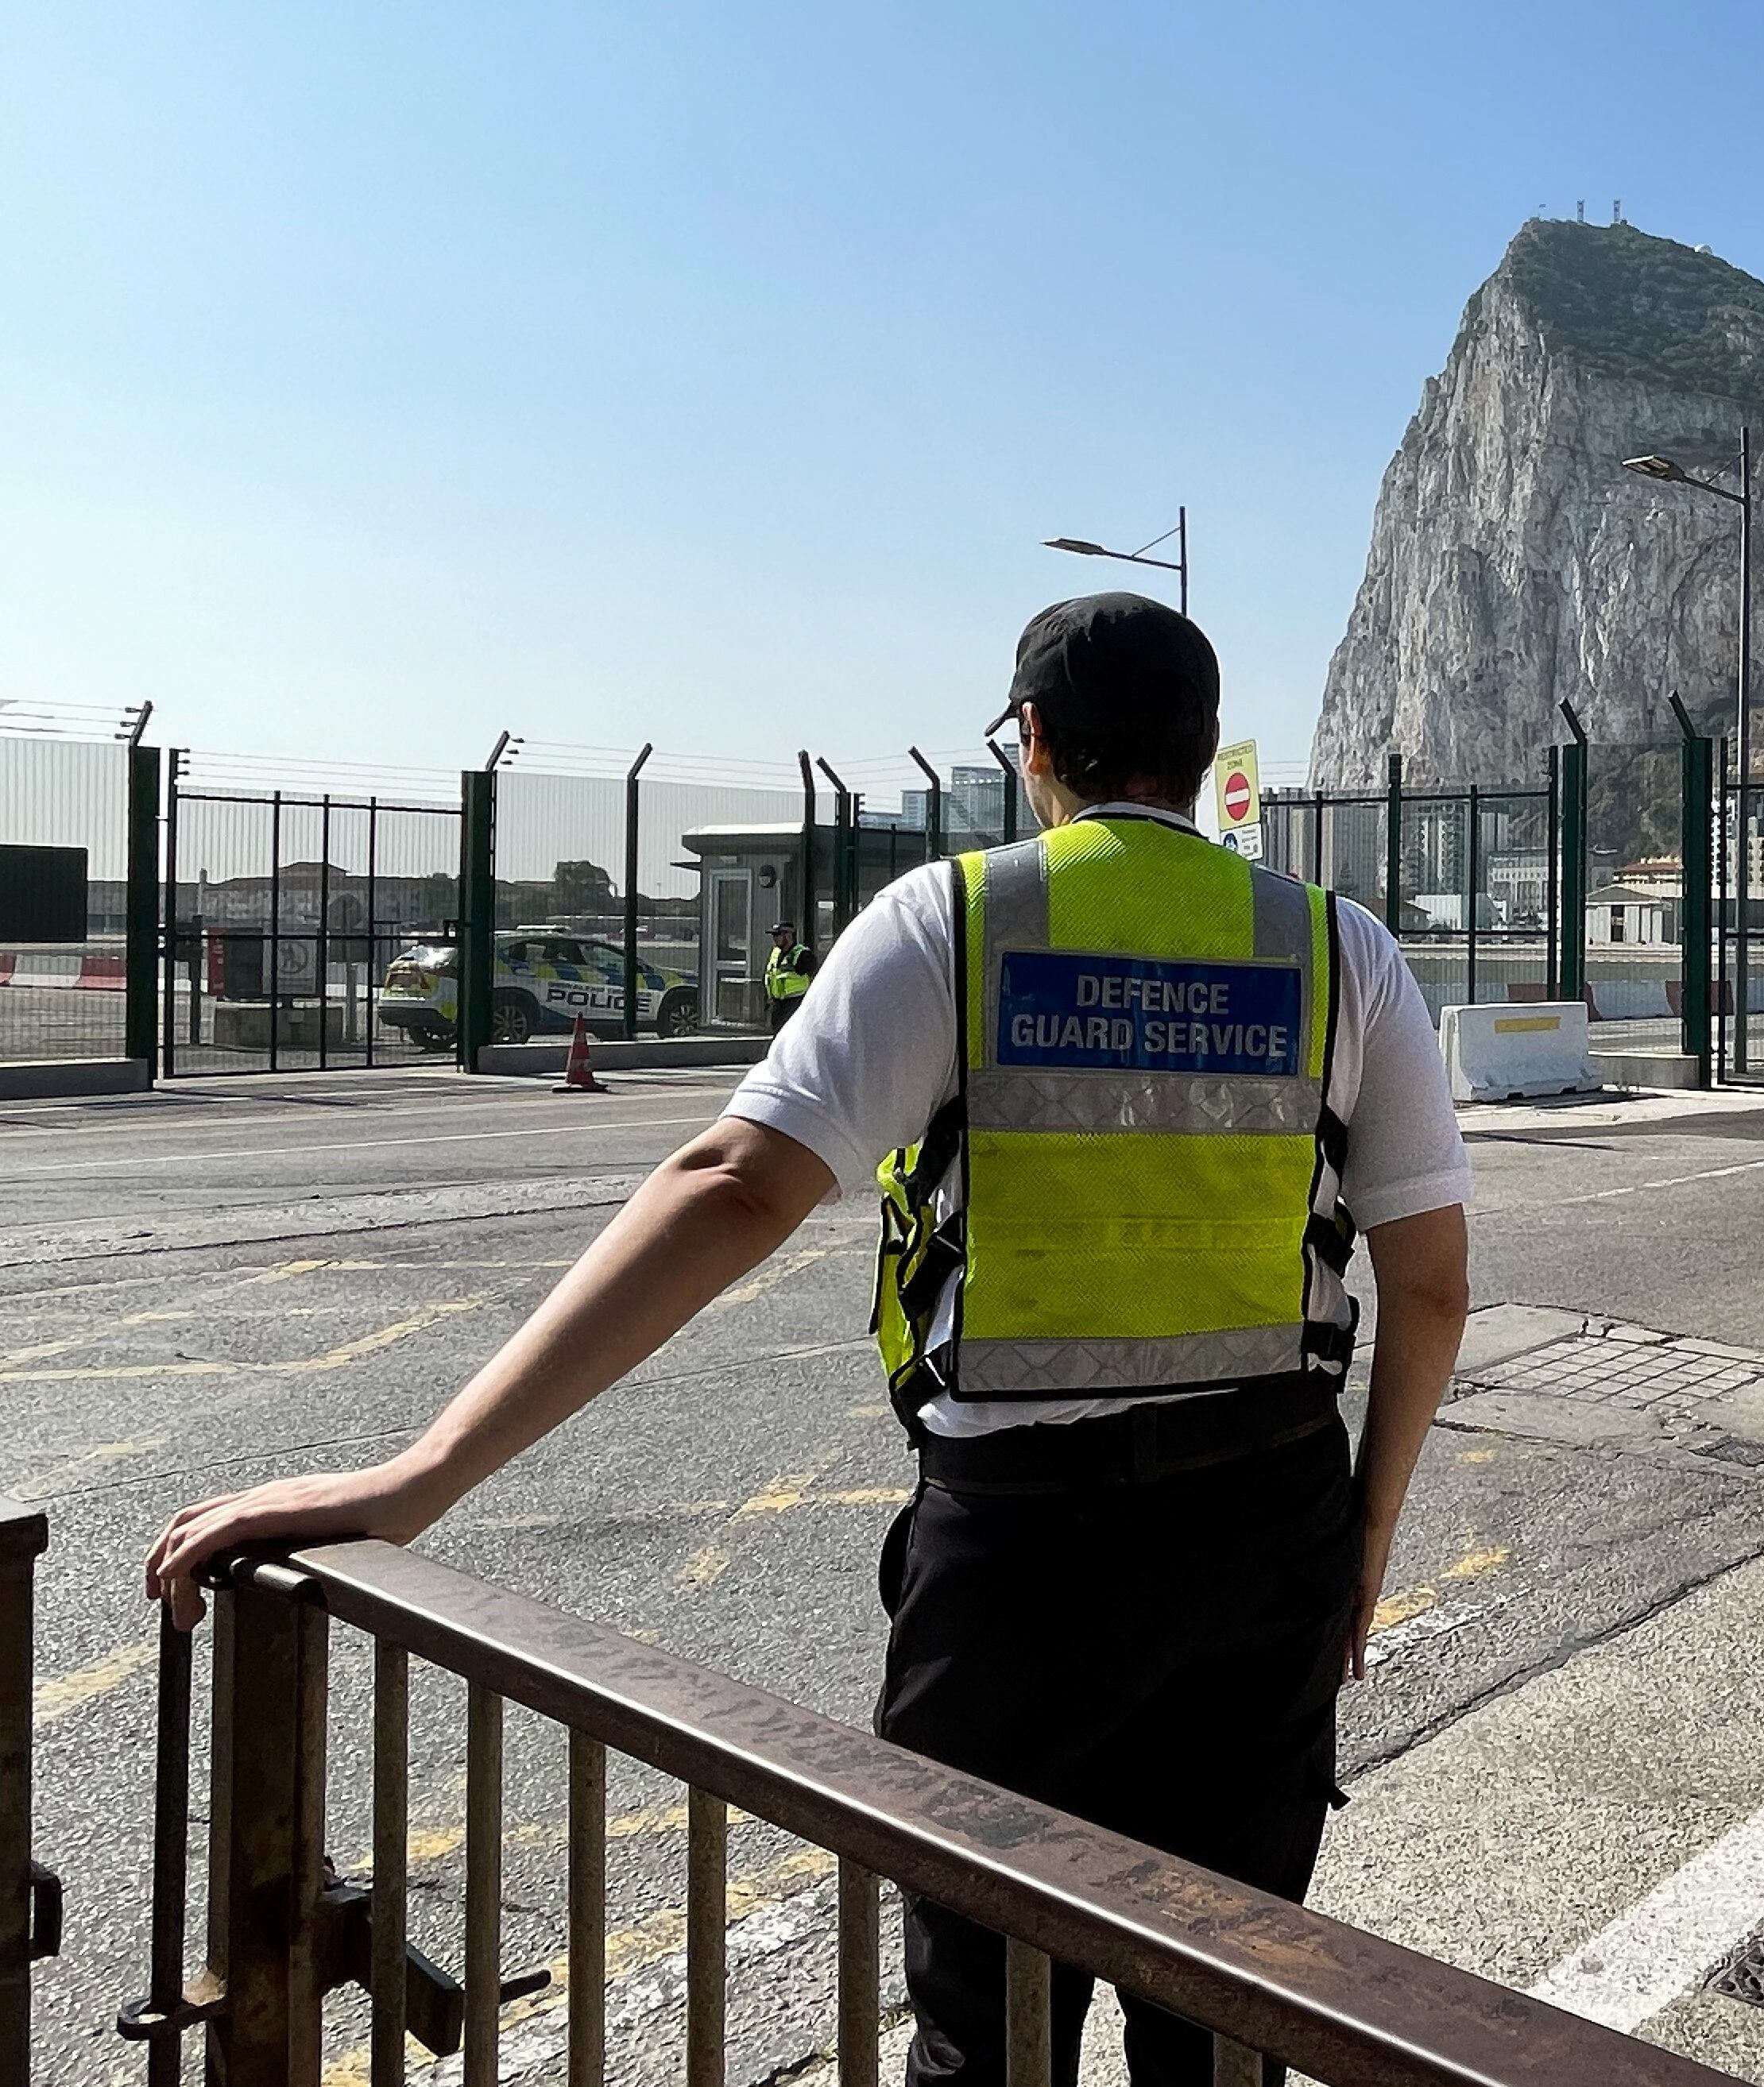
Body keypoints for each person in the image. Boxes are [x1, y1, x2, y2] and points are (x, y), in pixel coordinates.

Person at [148, 593, 1476, 2087]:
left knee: (988, 2013)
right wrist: (1362, 1536)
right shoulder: (1337, 950)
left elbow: (735, 1186)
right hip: (1265, 1538)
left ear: (1035, 742)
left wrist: (424, 1471)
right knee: (1227, 2011)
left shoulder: (955, 922)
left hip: (1019, 1564)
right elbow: (1429, 1289)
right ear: (1203, 746)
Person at [764, 920, 818, 1033]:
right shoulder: (775, 953)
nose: (775, 938)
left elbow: (815, 976)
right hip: (777, 1004)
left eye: (778, 935)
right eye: (774, 935)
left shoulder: (802, 954)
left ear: (789, 936)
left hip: (795, 1003)